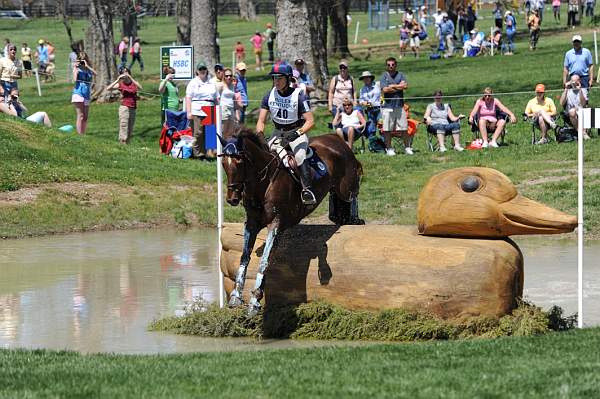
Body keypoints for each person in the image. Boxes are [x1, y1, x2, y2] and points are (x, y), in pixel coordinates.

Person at [255, 62, 316, 205]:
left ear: (288, 79)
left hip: (295, 131)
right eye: (274, 78)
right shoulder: (268, 96)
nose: (276, 81)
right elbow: (261, 121)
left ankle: (307, 190)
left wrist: (298, 133)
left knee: (300, 156)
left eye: (279, 78)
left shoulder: (299, 96)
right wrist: (260, 134)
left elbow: (310, 121)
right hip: (277, 131)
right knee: (264, 156)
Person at [185, 61, 220, 159]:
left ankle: (209, 154)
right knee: (198, 133)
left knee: (210, 133)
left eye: (204, 69)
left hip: (210, 108)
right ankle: (198, 154)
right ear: (197, 71)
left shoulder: (211, 82)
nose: (202, 71)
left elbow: (217, 98)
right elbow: (188, 98)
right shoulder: (193, 82)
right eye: (200, 69)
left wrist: (219, 109)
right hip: (197, 109)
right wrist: (189, 112)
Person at [380, 57, 411, 156]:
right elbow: (384, 90)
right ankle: (389, 149)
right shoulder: (384, 76)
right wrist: (398, 86)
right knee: (387, 129)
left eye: (393, 64)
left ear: (396, 65)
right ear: (386, 66)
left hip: (399, 105)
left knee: (404, 128)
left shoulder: (400, 74)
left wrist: (392, 86)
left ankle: (407, 148)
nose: (391, 66)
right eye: (389, 65)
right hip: (388, 106)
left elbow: (405, 86)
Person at [106, 67, 142, 144]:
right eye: (123, 72)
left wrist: (131, 78)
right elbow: (108, 88)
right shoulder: (120, 84)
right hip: (124, 107)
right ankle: (122, 142)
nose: (125, 74)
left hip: (133, 107)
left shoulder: (134, 83)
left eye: (126, 72)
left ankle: (127, 143)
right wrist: (117, 80)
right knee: (124, 125)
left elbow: (140, 88)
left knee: (130, 127)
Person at [71, 54, 96, 135]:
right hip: (78, 93)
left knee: (85, 117)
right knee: (80, 115)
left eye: (83, 60)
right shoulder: (76, 69)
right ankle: (79, 135)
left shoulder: (88, 69)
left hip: (87, 94)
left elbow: (96, 74)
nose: (81, 62)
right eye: (80, 60)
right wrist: (75, 69)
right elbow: (74, 80)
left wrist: (87, 66)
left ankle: (83, 134)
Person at [560, 74, 590, 138]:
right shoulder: (567, 91)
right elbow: (561, 103)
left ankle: (582, 133)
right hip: (570, 113)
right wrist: (566, 89)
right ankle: (582, 132)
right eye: (572, 81)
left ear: (579, 82)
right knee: (572, 111)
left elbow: (584, 104)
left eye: (575, 82)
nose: (573, 84)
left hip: (582, 112)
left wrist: (579, 91)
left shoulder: (583, 90)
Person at [358, 70, 381, 138]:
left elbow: (383, 95)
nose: (366, 79)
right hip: (369, 110)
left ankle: (385, 145)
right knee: (371, 128)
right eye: (364, 78)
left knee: (381, 127)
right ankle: (373, 145)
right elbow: (361, 100)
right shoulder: (362, 89)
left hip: (379, 109)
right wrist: (363, 103)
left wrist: (382, 103)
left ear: (371, 78)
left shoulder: (378, 85)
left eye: (367, 77)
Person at [220, 67, 240, 139]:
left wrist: (237, 112)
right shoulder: (221, 85)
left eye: (230, 75)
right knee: (223, 130)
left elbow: (234, 99)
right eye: (226, 76)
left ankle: (226, 147)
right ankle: (220, 148)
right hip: (223, 109)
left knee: (230, 131)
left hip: (231, 109)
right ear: (224, 77)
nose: (229, 77)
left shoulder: (232, 86)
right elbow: (217, 98)